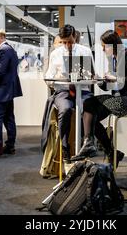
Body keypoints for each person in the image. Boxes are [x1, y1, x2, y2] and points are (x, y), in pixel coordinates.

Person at [70, 30, 127, 166]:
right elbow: (110, 86)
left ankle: (95, 146)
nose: (103, 49)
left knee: (89, 110)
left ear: (113, 45)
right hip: (119, 98)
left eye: (105, 46)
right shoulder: (113, 59)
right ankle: (104, 149)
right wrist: (100, 80)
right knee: (89, 108)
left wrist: (115, 77)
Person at [43, 24, 94, 164]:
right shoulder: (56, 53)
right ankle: (65, 146)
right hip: (63, 90)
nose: (67, 45)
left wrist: (87, 77)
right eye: (64, 42)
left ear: (74, 37)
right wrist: (57, 80)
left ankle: (87, 142)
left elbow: (92, 74)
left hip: (82, 90)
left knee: (90, 107)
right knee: (65, 109)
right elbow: (48, 77)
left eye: (70, 42)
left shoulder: (85, 51)